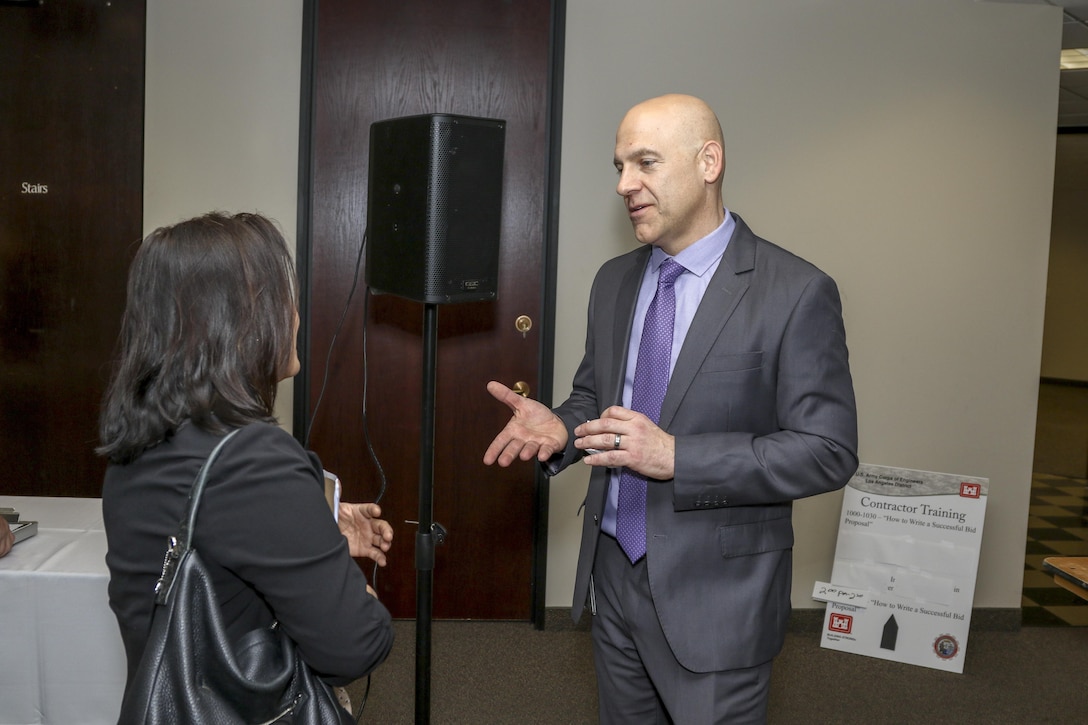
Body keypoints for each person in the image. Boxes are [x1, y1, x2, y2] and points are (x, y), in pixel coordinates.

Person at [484, 94, 858, 723]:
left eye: (645, 163)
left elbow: (828, 450)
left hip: (717, 599)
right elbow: (596, 400)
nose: (626, 185)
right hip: (615, 575)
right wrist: (565, 427)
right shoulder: (613, 281)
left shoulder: (795, 293)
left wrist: (680, 457)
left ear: (708, 161)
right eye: (619, 167)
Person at [98, 212, 394, 710]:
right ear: (239, 321)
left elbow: (218, 545)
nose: (296, 316)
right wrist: (358, 598)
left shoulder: (139, 441)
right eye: (284, 300)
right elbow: (355, 646)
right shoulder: (253, 458)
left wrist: (312, 530)